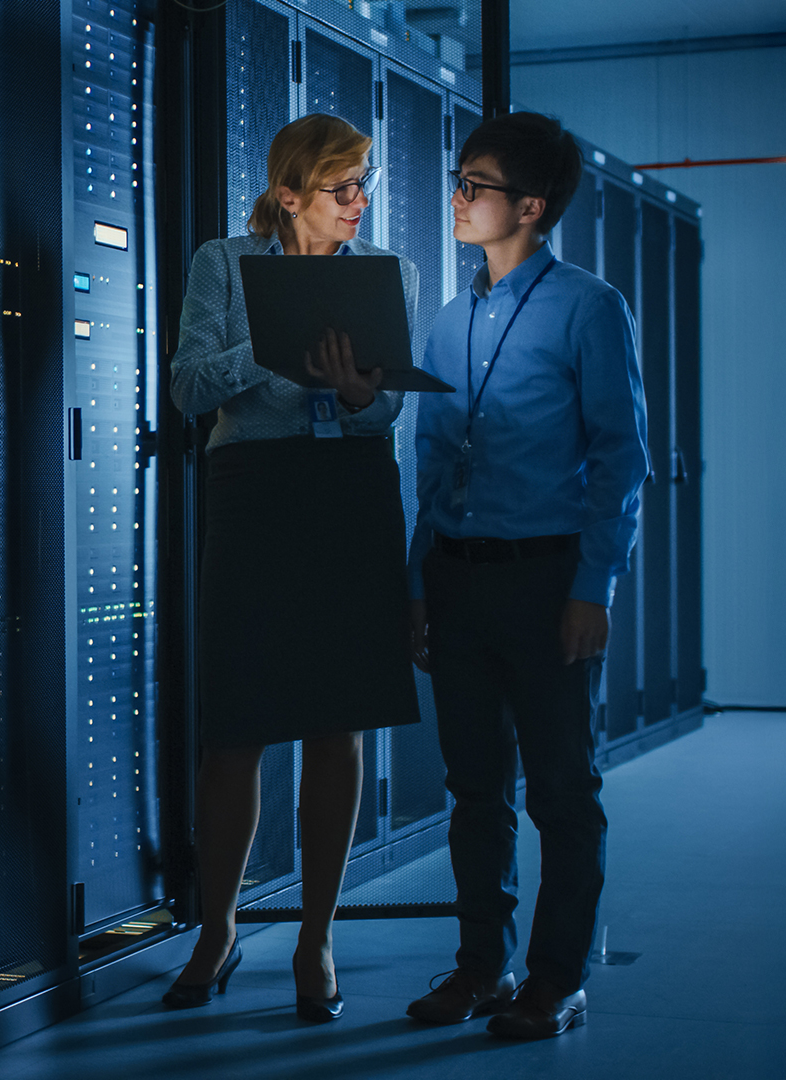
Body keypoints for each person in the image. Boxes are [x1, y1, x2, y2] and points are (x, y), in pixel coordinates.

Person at [164, 114, 420, 1022]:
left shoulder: (391, 274)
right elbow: (190, 387)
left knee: (336, 721)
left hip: (347, 493)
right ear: (289, 193)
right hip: (254, 491)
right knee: (236, 725)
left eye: (366, 186)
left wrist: (357, 395)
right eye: (344, 187)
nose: (361, 202)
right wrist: (272, 346)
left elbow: (387, 413)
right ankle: (219, 926)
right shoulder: (223, 263)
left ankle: (317, 936)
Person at [405, 112, 649, 1039]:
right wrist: (417, 582)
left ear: (532, 206)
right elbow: (429, 465)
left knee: (559, 791)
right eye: (459, 180)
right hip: (458, 583)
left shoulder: (590, 307)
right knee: (473, 789)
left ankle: (557, 978)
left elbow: (621, 459)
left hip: (549, 583)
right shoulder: (450, 320)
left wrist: (595, 588)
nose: (459, 198)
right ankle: (480, 967)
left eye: (476, 184)